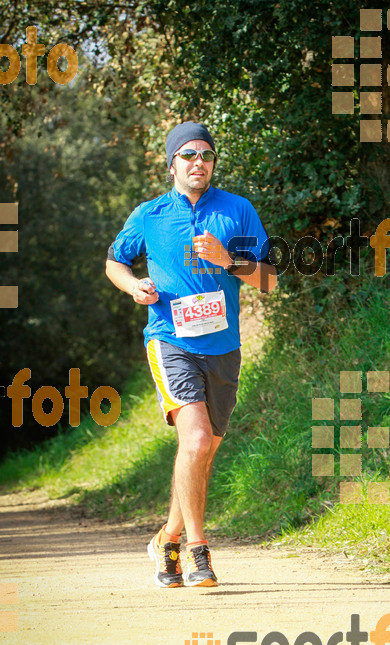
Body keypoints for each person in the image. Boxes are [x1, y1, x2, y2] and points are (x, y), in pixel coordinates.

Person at [105, 121, 277, 588]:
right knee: (196, 440)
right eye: (188, 155)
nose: (198, 162)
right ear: (171, 165)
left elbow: (270, 279)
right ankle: (198, 551)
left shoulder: (237, 210)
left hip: (223, 347)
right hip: (169, 339)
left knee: (202, 450)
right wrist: (133, 285)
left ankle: (167, 539)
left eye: (205, 155)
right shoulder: (150, 215)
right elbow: (114, 261)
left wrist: (228, 261)